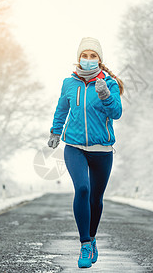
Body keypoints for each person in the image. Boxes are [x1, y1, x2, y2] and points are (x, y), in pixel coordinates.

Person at [47, 37, 124, 268]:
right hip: (75, 147)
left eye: (93, 56)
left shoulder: (109, 83)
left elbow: (117, 113)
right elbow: (62, 109)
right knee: (82, 188)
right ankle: (84, 244)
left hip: (102, 149)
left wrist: (106, 96)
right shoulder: (69, 84)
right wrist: (55, 132)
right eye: (85, 55)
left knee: (95, 199)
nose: (88, 60)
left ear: (100, 60)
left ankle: (92, 237)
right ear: (78, 58)